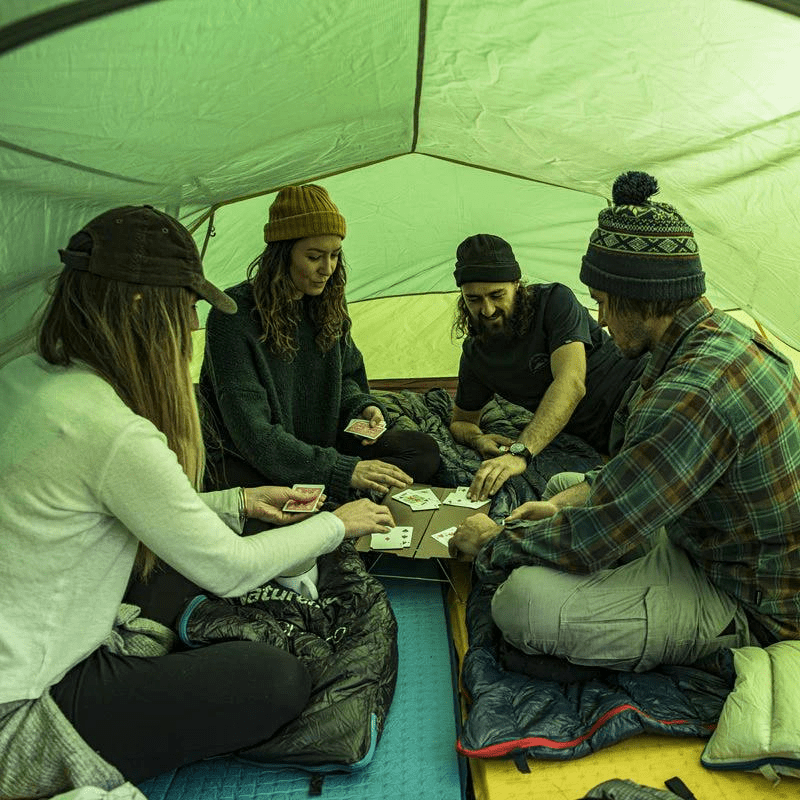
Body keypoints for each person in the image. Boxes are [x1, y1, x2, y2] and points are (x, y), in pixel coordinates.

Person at [0, 205, 394, 794]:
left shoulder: (25, 375)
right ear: (141, 309)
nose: (191, 329)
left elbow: (95, 509)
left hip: (30, 630)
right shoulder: (113, 429)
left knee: (185, 570)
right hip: (22, 704)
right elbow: (229, 569)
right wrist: (338, 523)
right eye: (186, 310)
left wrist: (239, 503)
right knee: (274, 680)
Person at [450, 171, 800, 672]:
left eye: (605, 302)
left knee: (520, 603)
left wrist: (496, 540)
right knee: (568, 485)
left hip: (746, 592)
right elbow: (645, 473)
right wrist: (563, 506)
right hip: (705, 530)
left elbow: (599, 535)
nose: (601, 319)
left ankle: (729, 637)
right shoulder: (715, 337)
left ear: (641, 298)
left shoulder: (691, 395)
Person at [200, 184, 440, 502]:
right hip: (256, 457)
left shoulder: (328, 305)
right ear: (282, 255)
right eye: (314, 257)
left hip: (323, 445)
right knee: (261, 501)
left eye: (335, 256)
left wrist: (364, 408)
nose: (327, 269)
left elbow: (347, 380)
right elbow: (253, 434)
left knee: (421, 451)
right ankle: (338, 490)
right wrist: (341, 470)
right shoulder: (232, 314)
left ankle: (335, 490)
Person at [449, 233, 647, 500]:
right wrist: (478, 439)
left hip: (638, 395)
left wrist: (521, 452)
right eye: (474, 299)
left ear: (516, 285)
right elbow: (462, 421)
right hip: (605, 440)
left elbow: (571, 383)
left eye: (497, 295)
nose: (487, 310)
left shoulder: (554, 301)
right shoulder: (476, 355)